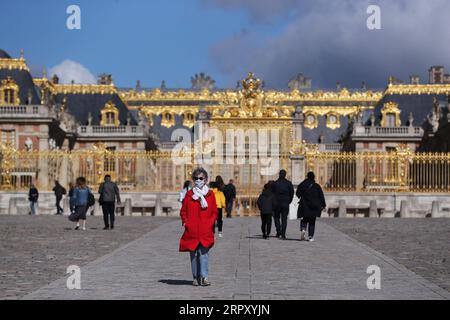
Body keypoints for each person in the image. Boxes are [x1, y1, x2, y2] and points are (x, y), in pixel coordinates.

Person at [179, 168, 218, 287]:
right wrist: (186, 222)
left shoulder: (210, 195)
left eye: (201, 178)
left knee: (204, 254)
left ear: (205, 180)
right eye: (196, 178)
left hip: (205, 229)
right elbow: (183, 211)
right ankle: (195, 277)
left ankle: (204, 277)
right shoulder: (189, 195)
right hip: (192, 230)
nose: (198, 180)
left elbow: (214, 212)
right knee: (194, 255)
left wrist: (210, 223)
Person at [296, 171, 326, 242]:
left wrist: (302, 196)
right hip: (314, 205)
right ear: (313, 177)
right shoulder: (316, 186)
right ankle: (310, 236)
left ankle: (303, 229)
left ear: (307, 176)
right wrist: (323, 205)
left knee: (304, 218)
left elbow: (297, 194)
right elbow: (321, 196)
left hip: (304, 204)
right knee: (312, 221)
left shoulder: (302, 184)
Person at [272, 169, 294, 239]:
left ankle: (278, 231)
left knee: (276, 217)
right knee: (284, 219)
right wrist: (289, 201)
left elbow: (272, 194)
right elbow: (292, 193)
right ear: (285, 175)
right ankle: (283, 234)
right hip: (285, 203)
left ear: (279, 174)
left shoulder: (275, 183)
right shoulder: (289, 183)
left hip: (277, 203)